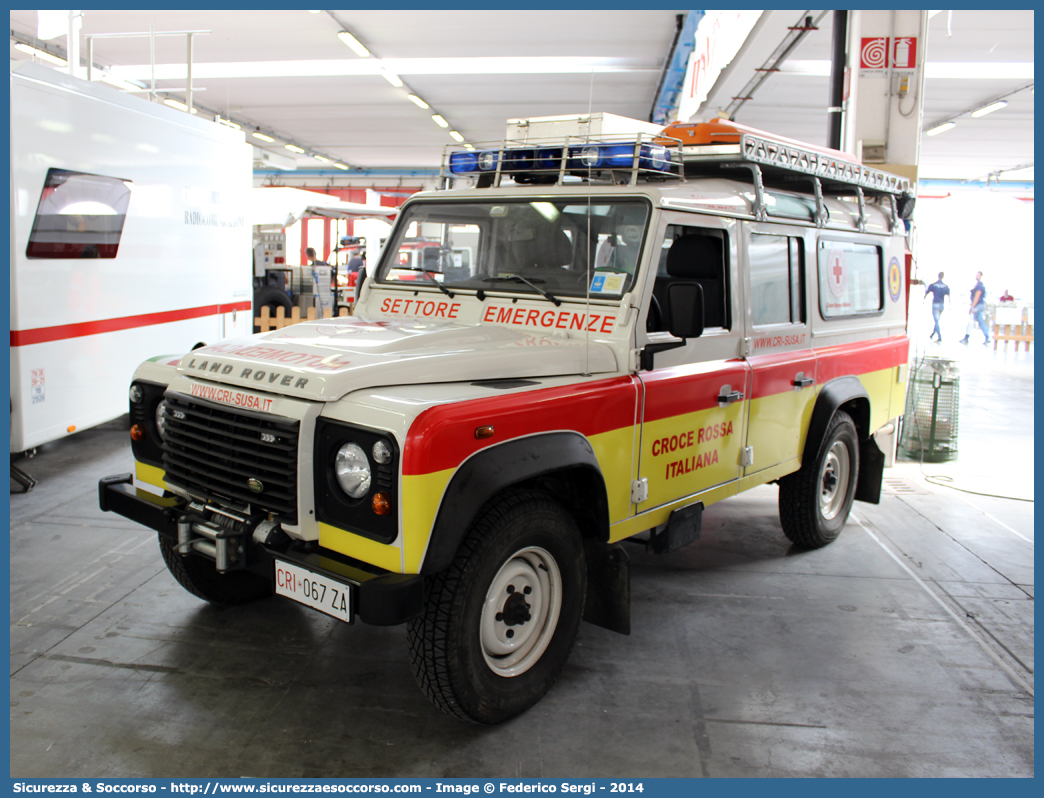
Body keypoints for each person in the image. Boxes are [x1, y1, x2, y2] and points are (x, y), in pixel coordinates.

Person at [959, 270, 989, 345]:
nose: (976, 276)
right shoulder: (980, 285)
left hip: (978, 305)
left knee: (971, 320)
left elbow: (977, 296)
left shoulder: (979, 286)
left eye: (978, 275)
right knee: (981, 321)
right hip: (981, 305)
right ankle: (987, 337)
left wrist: (972, 307)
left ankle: (966, 337)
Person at [923, 271, 950, 342]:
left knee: (936, 321)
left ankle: (939, 336)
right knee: (937, 320)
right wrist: (949, 304)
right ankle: (933, 334)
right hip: (942, 305)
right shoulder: (945, 286)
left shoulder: (934, 285)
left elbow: (926, 293)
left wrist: (923, 300)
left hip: (935, 304)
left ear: (938, 276)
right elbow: (949, 296)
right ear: (943, 277)